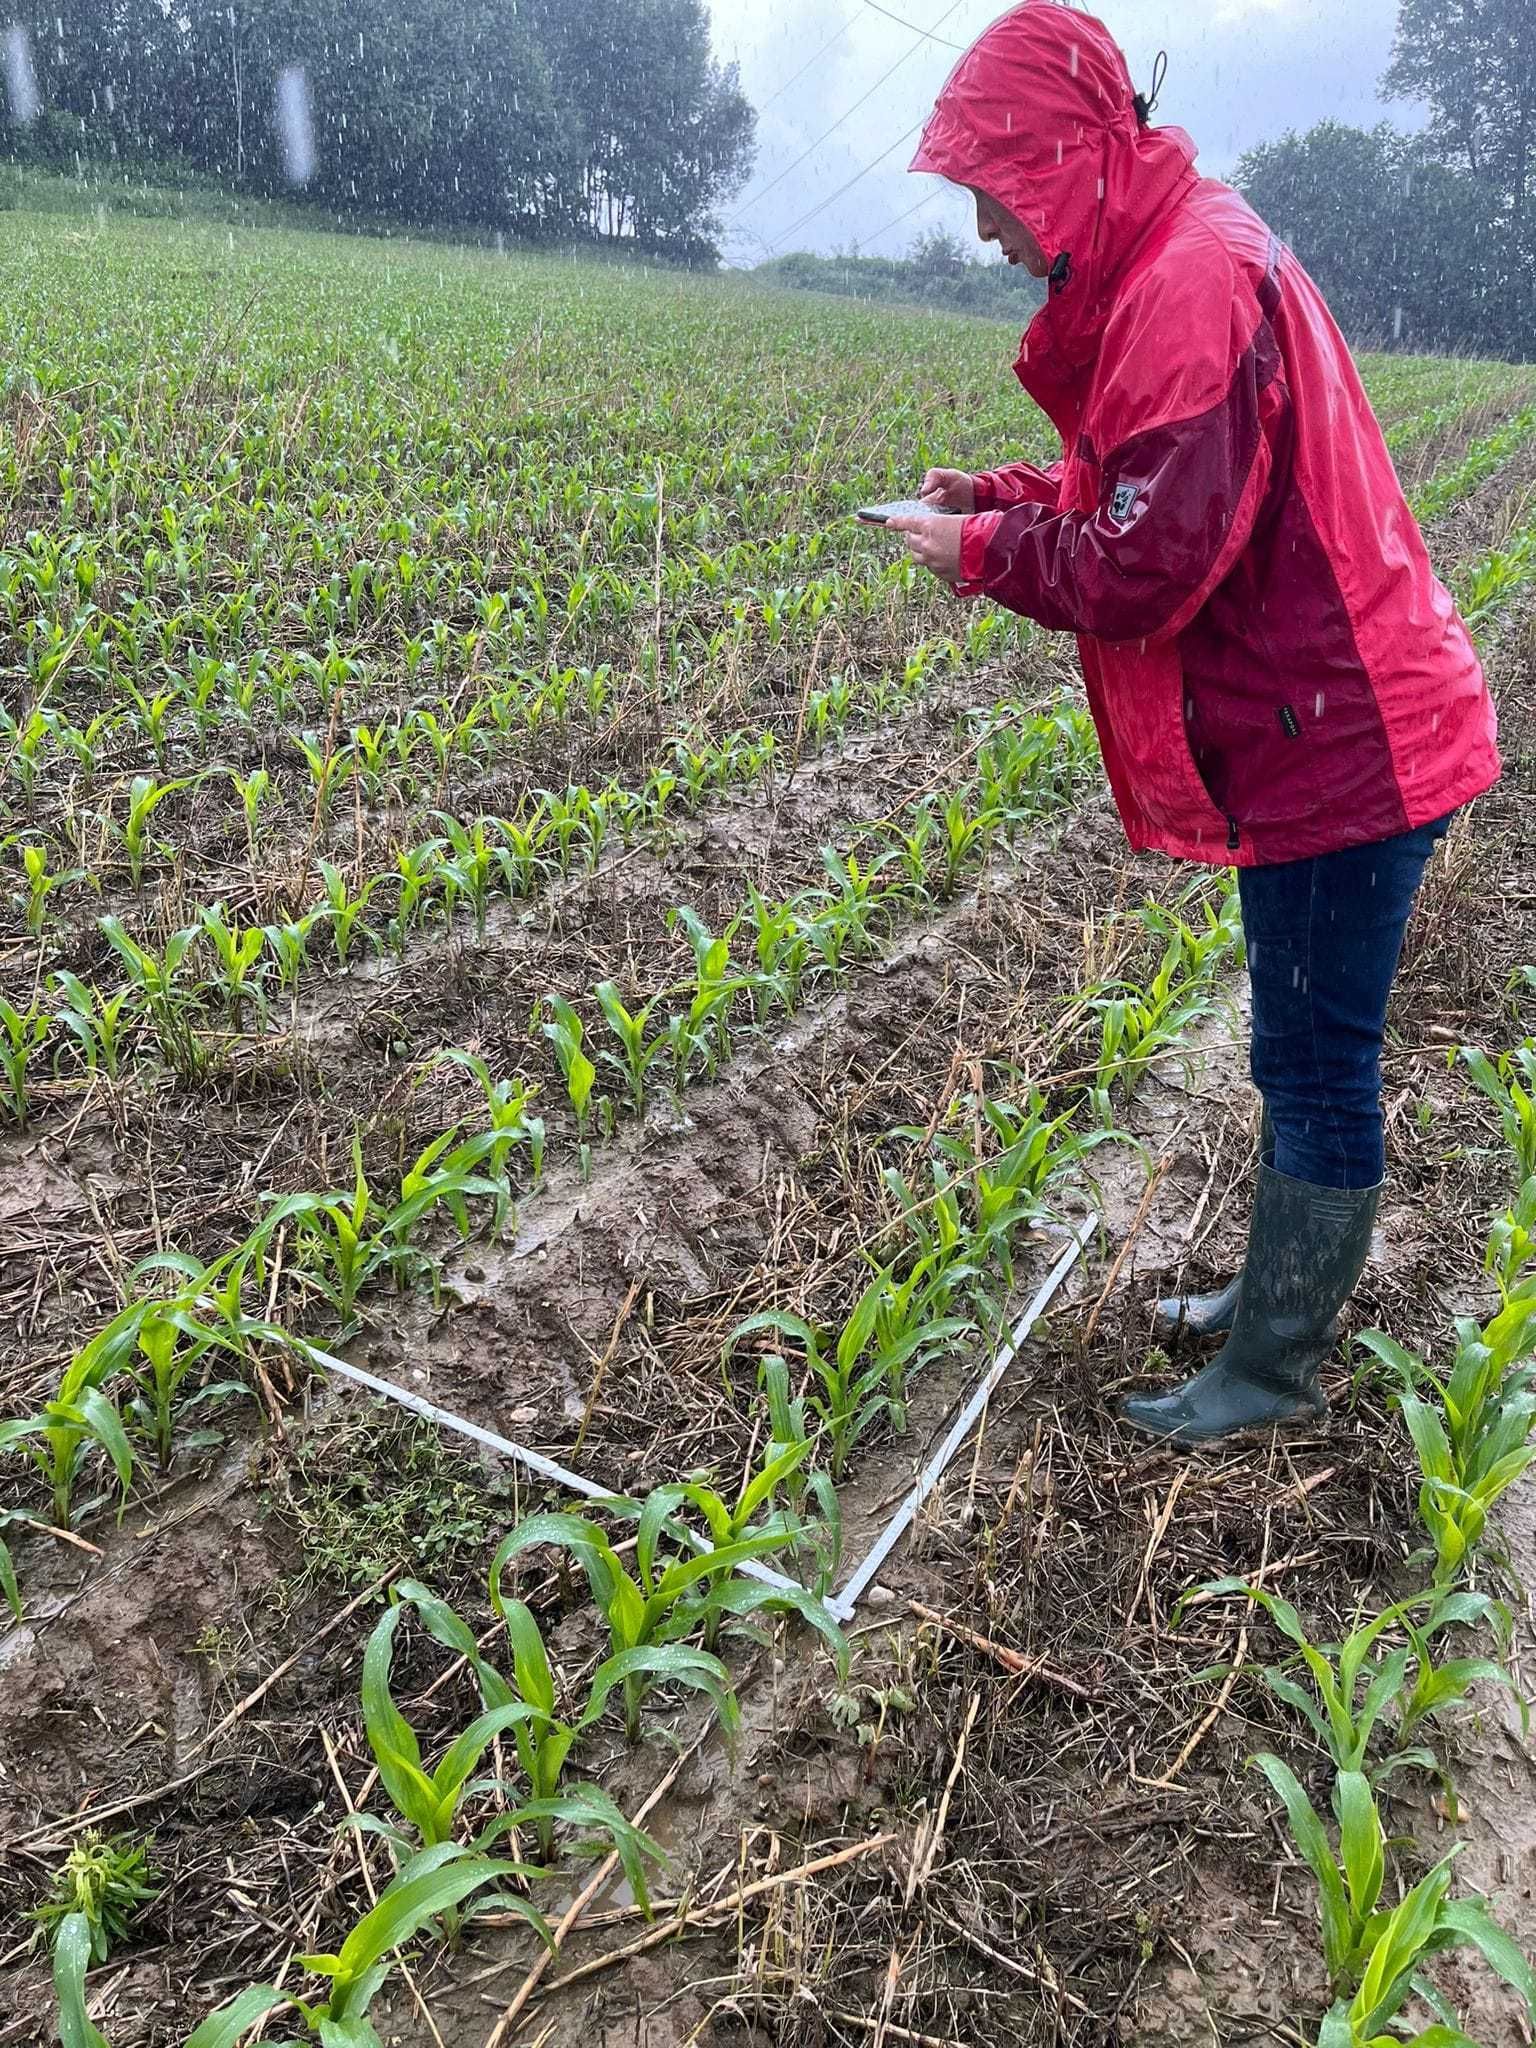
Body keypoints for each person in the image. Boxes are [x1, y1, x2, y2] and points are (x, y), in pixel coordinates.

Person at [889, 0, 1500, 1448]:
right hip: (1322, 727)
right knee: (1295, 1043)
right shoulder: (1184, 248)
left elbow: (1145, 563)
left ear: (1058, 163)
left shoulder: (1186, 284)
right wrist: (1005, 497)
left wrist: (975, 558)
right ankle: (1264, 1305)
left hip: (1346, 747)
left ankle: (1275, 1372)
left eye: (991, 193)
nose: (985, 234)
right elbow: (1144, 490)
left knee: (1316, 1058)